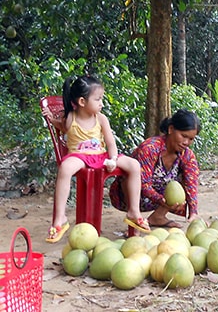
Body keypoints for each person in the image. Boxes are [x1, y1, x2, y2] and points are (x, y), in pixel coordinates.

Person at [43, 75, 151, 243]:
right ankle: (60, 218)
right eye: (98, 99)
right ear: (82, 101)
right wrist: (50, 117)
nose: (102, 103)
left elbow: (111, 143)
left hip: (101, 156)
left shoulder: (101, 118)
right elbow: (61, 126)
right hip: (79, 156)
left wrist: (113, 158)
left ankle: (134, 212)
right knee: (65, 168)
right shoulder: (70, 117)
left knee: (134, 165)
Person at [109, 109, 201, 228]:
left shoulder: (187, 155)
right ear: (171, 129)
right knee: (128, 176)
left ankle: (158, 217)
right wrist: (162, 200)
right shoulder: (150, 148)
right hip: (130, 196)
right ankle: (133, 222)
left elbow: (191, 183)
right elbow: (144, 185)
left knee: (186, 177)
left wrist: (193, 212)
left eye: (191, 139)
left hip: (159, 198)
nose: (186, 142)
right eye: (183, 136)